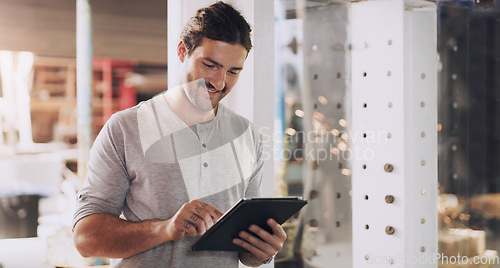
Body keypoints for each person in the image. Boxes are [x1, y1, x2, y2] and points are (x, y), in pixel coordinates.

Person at [72, 2, 286, 267]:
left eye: (233, 71)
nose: (219, 82)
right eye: (210, 65)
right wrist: (165, 229)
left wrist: (262, 250)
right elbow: (86, 239)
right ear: (182, 50)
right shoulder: (125, 128)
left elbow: (246, 251)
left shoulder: (247, 135)